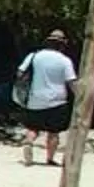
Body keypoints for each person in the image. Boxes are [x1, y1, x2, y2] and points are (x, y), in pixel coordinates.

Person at [13, 29, 78, 166]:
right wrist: (80, 97)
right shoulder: (65, 61)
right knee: (54, 132)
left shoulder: (34, 56)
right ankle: (50, 158)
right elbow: (71, 81)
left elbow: (20, 73)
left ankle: (29, 142)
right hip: (57, 101)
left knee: (33, 128)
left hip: (34, 99)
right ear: (62, 44)